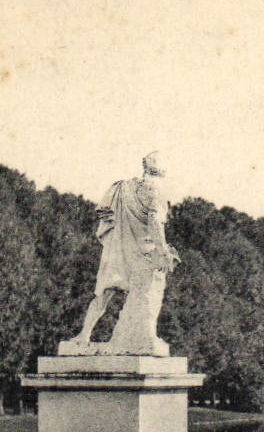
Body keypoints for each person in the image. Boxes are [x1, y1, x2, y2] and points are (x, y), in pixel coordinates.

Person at [65, 153, 180, 356]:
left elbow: (108, 218)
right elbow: (155, 224)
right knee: (149, 293)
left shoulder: (122, 187)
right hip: (143, 252)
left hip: (119, 248)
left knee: (106, 290)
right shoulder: (156, 193)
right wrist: (164, 252)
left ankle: (83, 336)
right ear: (162, 170)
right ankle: (147, 337)